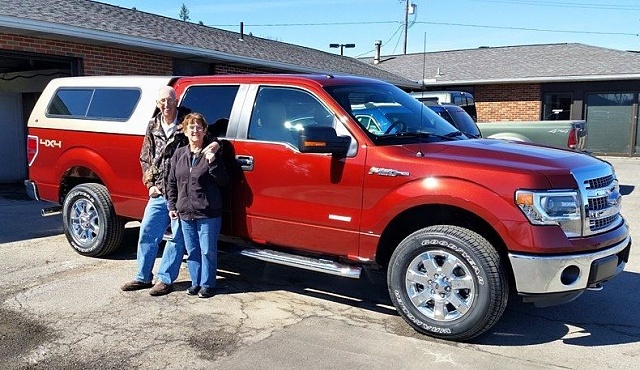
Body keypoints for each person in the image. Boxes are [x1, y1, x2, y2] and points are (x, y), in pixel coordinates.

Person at [120, 86, 189, 296]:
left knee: (177, 237)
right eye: (161, 101)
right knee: (148, 232)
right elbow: (145, 157)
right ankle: (143, 277)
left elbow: (203, 142)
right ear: (157, 104)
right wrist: (149, 184)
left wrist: (212, 148)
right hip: (158, 190)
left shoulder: (187, 123)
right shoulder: (153, 124)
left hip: (180, 191)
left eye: (169, 100)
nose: (165, 105)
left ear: (176, 101)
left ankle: (165, 280)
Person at [167, 113, 229, 298]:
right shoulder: (179, 153)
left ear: (205, 131)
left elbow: (224, 181)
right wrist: (172, 206)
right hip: (185, 211)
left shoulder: (213, 153)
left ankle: (208, 284)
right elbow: (171, 181)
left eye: (199, 127)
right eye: (191, 127)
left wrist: (213, 161)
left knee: (207, 250)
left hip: (208, 212)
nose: (195, 131)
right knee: (192, 250)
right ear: (185, 131)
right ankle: (196, 282)